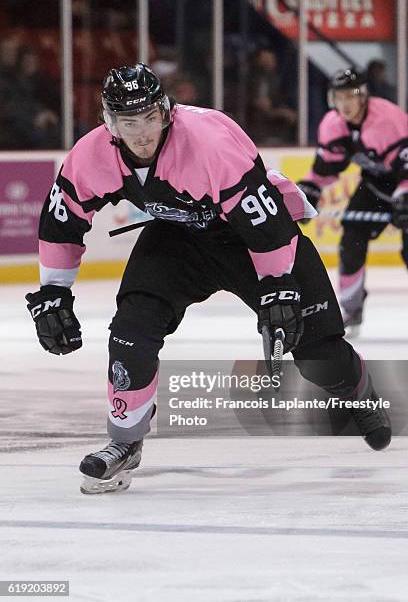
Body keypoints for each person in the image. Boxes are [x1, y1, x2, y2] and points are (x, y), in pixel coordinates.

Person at [26, 64, 391, 495]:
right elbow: (61, 222)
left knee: (317, 353)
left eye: (148, 119)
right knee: (132, 328)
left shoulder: (208, 143)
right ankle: (124, 440)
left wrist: (277, 284)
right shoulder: (92, 155)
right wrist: (53, 291)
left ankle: (357, 388)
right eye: (129, 122)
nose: (141, 133)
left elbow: (265, 220)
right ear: (110, 124)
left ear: (165, 112)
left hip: (249, 237)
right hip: (178, 239)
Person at [297, 68, 408, 333]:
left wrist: (404, 196)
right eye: (340, 97)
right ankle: (351, 307)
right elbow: (325, 170)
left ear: (364, 97)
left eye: (351, 96)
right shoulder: (332, 125)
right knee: (351, 241)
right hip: (375, 186)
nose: (345, 104)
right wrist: (309, 191)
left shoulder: (388, 119)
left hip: (404, 183)